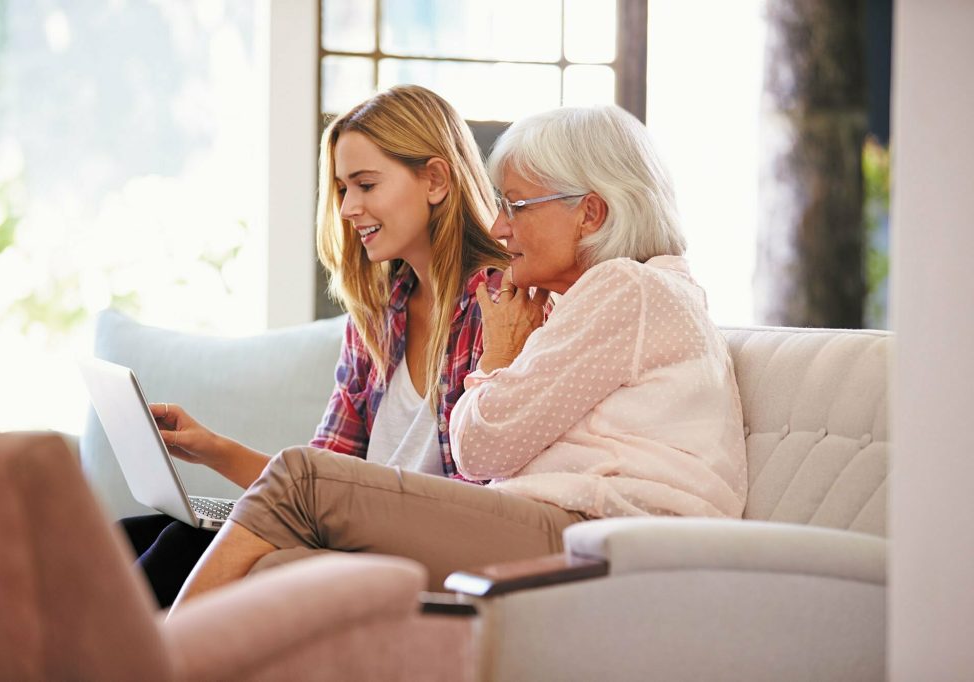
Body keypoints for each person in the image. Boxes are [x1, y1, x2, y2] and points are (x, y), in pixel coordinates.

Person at [169, 103, 748, 611]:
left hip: (605, 543)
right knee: (273, 568)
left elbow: (479, 449)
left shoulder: (628, 289)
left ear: (590, 214)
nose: (500, 225)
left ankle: (148, 664)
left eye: (517, 206)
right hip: (578, 535)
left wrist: (497, 352)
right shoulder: (592, 301)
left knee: (298, 478)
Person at [122, 84, 513, 607]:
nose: (349, 208)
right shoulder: (376, 322)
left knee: (179, 546)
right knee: (135, 533)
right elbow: (316, 482)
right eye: (342, 188)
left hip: (429, 546)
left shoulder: (501, 305)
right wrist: (211, 449)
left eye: (365, 184)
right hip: (357, 531)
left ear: (436, 180)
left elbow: (489, 498)